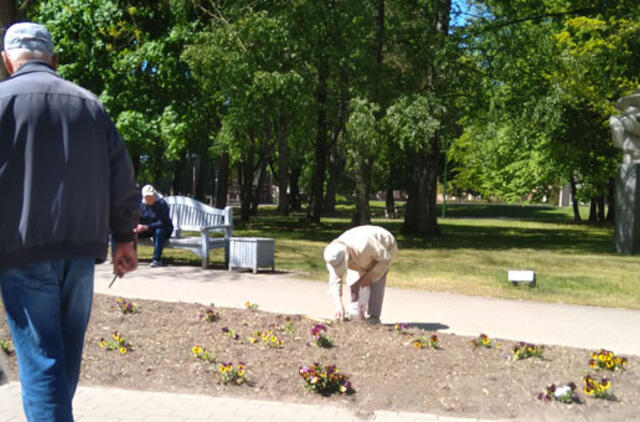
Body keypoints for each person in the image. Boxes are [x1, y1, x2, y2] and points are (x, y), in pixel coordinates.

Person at [0, 22, 140, 421]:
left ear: (7, 61)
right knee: (61, 363)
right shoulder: (89, 105)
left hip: (21, 251)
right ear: (54, 59)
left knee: (44, 363)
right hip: (81, 253)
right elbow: (122, 176)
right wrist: (125, 238)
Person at [323, 225, 398, 323]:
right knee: (354, 282)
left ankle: (374, 316)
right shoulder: (334, 254)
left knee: (376, 276)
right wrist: (338, 303)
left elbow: (385, 259)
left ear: (347, 256)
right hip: (359, 253)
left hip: (385, 246)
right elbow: (335, 280)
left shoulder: (365, 245)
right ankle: (356, 313)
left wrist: (369, 277)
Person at [135, 184, 174, 267]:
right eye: (146, 197)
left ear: (154, 194)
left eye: (150, 196)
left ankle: (157, 259)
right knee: (133, 232)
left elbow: (163, 222)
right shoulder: (142, 205)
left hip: (164, 228)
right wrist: (137, 226)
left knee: (159, 231)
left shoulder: (162, 204)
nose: (148, 198)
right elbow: (137, 218)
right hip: (148, 228)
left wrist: (147, 227)